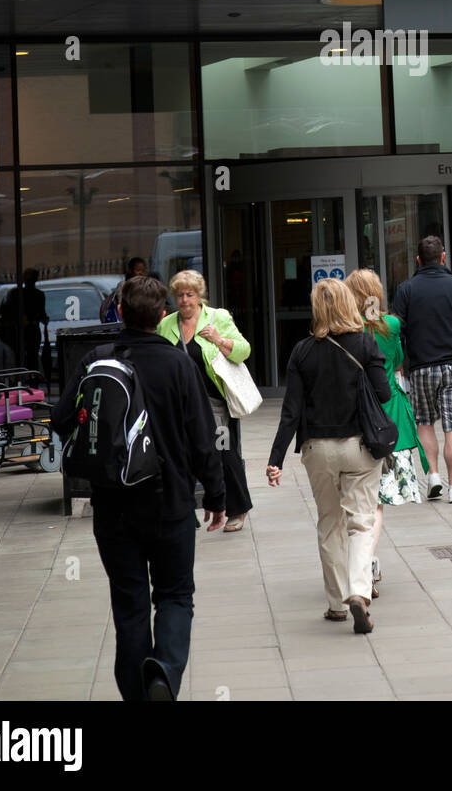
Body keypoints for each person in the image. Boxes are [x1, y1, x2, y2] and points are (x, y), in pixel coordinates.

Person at [51, 276, 225, 701]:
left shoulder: (97, 358)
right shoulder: (178, 363)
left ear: (120, 314)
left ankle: (135, 694)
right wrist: (218, 496)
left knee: (129, 606)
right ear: (162, 315)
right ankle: (163, 674)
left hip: (113, 505)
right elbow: (204, 438)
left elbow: (59, 419)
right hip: (171, 501)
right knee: (175, 595)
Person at [266, 278, 390, 634]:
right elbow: (383, 394)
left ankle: (337, 605)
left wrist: (275, 459)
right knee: (361, 523)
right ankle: (359, 593)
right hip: (361, 446)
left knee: (329, 523)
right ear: (349, 305)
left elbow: (290, 411)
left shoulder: (302, 351)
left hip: (318, 449)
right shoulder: (365, 344)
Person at [345, 268, 429, 597]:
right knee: (378, 501)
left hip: (354, 417)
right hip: (389, 416)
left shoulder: (347, 329)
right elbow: (396, 362)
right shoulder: (390, 326)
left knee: (356, 501)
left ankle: (360, 562)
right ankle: (368, 560)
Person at [391, 235, 452, 504]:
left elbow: (395, 328)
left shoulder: (406, 289)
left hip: (422, 367)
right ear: (443, 257)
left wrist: (398, 362)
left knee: (424, 422)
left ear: (418, 260)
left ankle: (433, 476)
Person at [159, 270, 253, 532]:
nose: (184, 300)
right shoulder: (167, 324)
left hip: (214, 402)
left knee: (224, 453)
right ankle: (185, 509)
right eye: (179, 296)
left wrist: (219, 340)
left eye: (189, 295)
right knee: (183, 457)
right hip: (181, 404)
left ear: (200, 296)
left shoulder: (217, 317)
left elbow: (243, 350)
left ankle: (237, 509)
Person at [0, 269, 50, 378]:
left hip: (29, 330)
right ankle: (24, 379)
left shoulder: (35, 295)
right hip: (19, 331)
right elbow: (8, 312)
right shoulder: (18, 294)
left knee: (30, 358)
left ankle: (29, 379)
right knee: (24, 358)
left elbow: (42, 314)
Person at [100, 257, 148, 323]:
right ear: (130, 270)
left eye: (143, 271)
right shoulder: (123, 285)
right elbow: (122, 306)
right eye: (138, 270)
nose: (141, 273)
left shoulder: (145, 288)